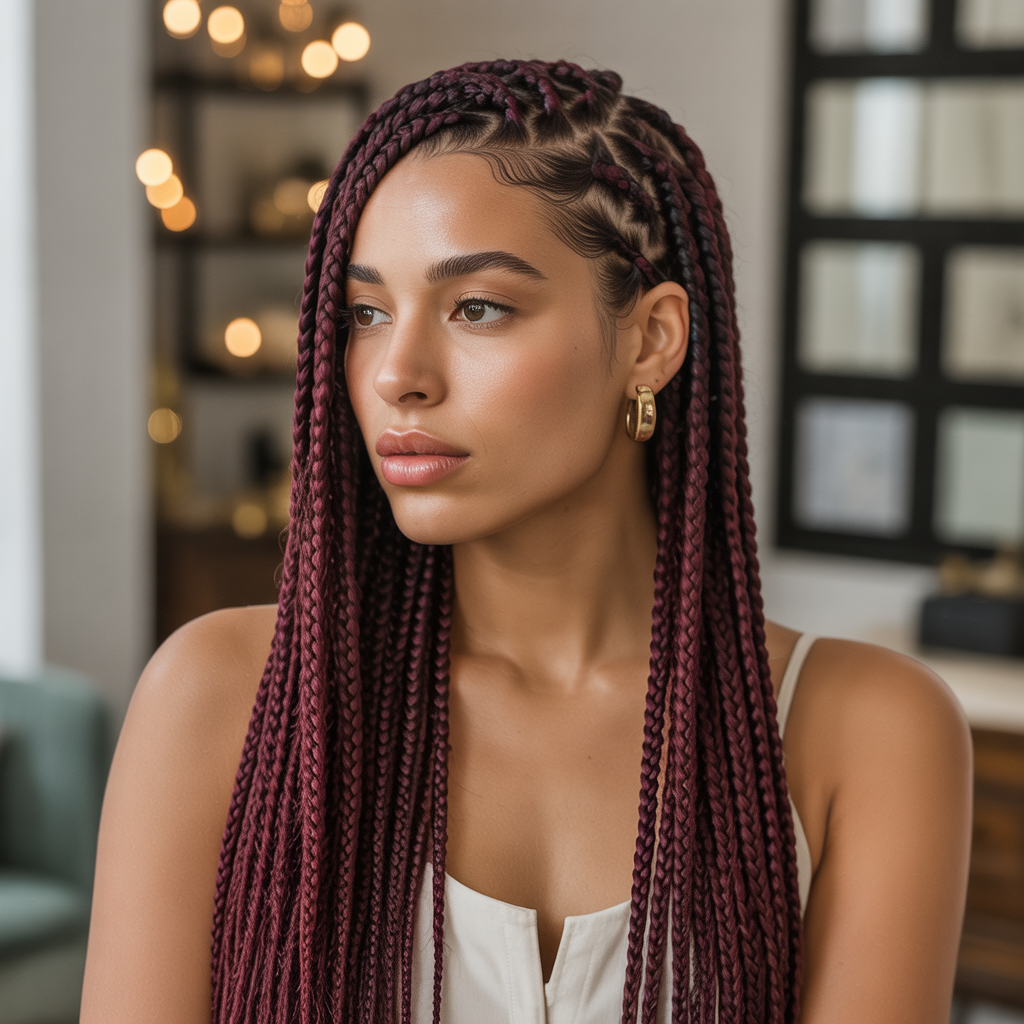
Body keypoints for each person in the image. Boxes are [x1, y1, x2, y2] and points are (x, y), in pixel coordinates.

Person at [80, 60, 972, 1024]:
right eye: (368, 313)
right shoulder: (219, 699)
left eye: (477, 308)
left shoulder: (865, 735)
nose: (398, 376)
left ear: (651, 340)